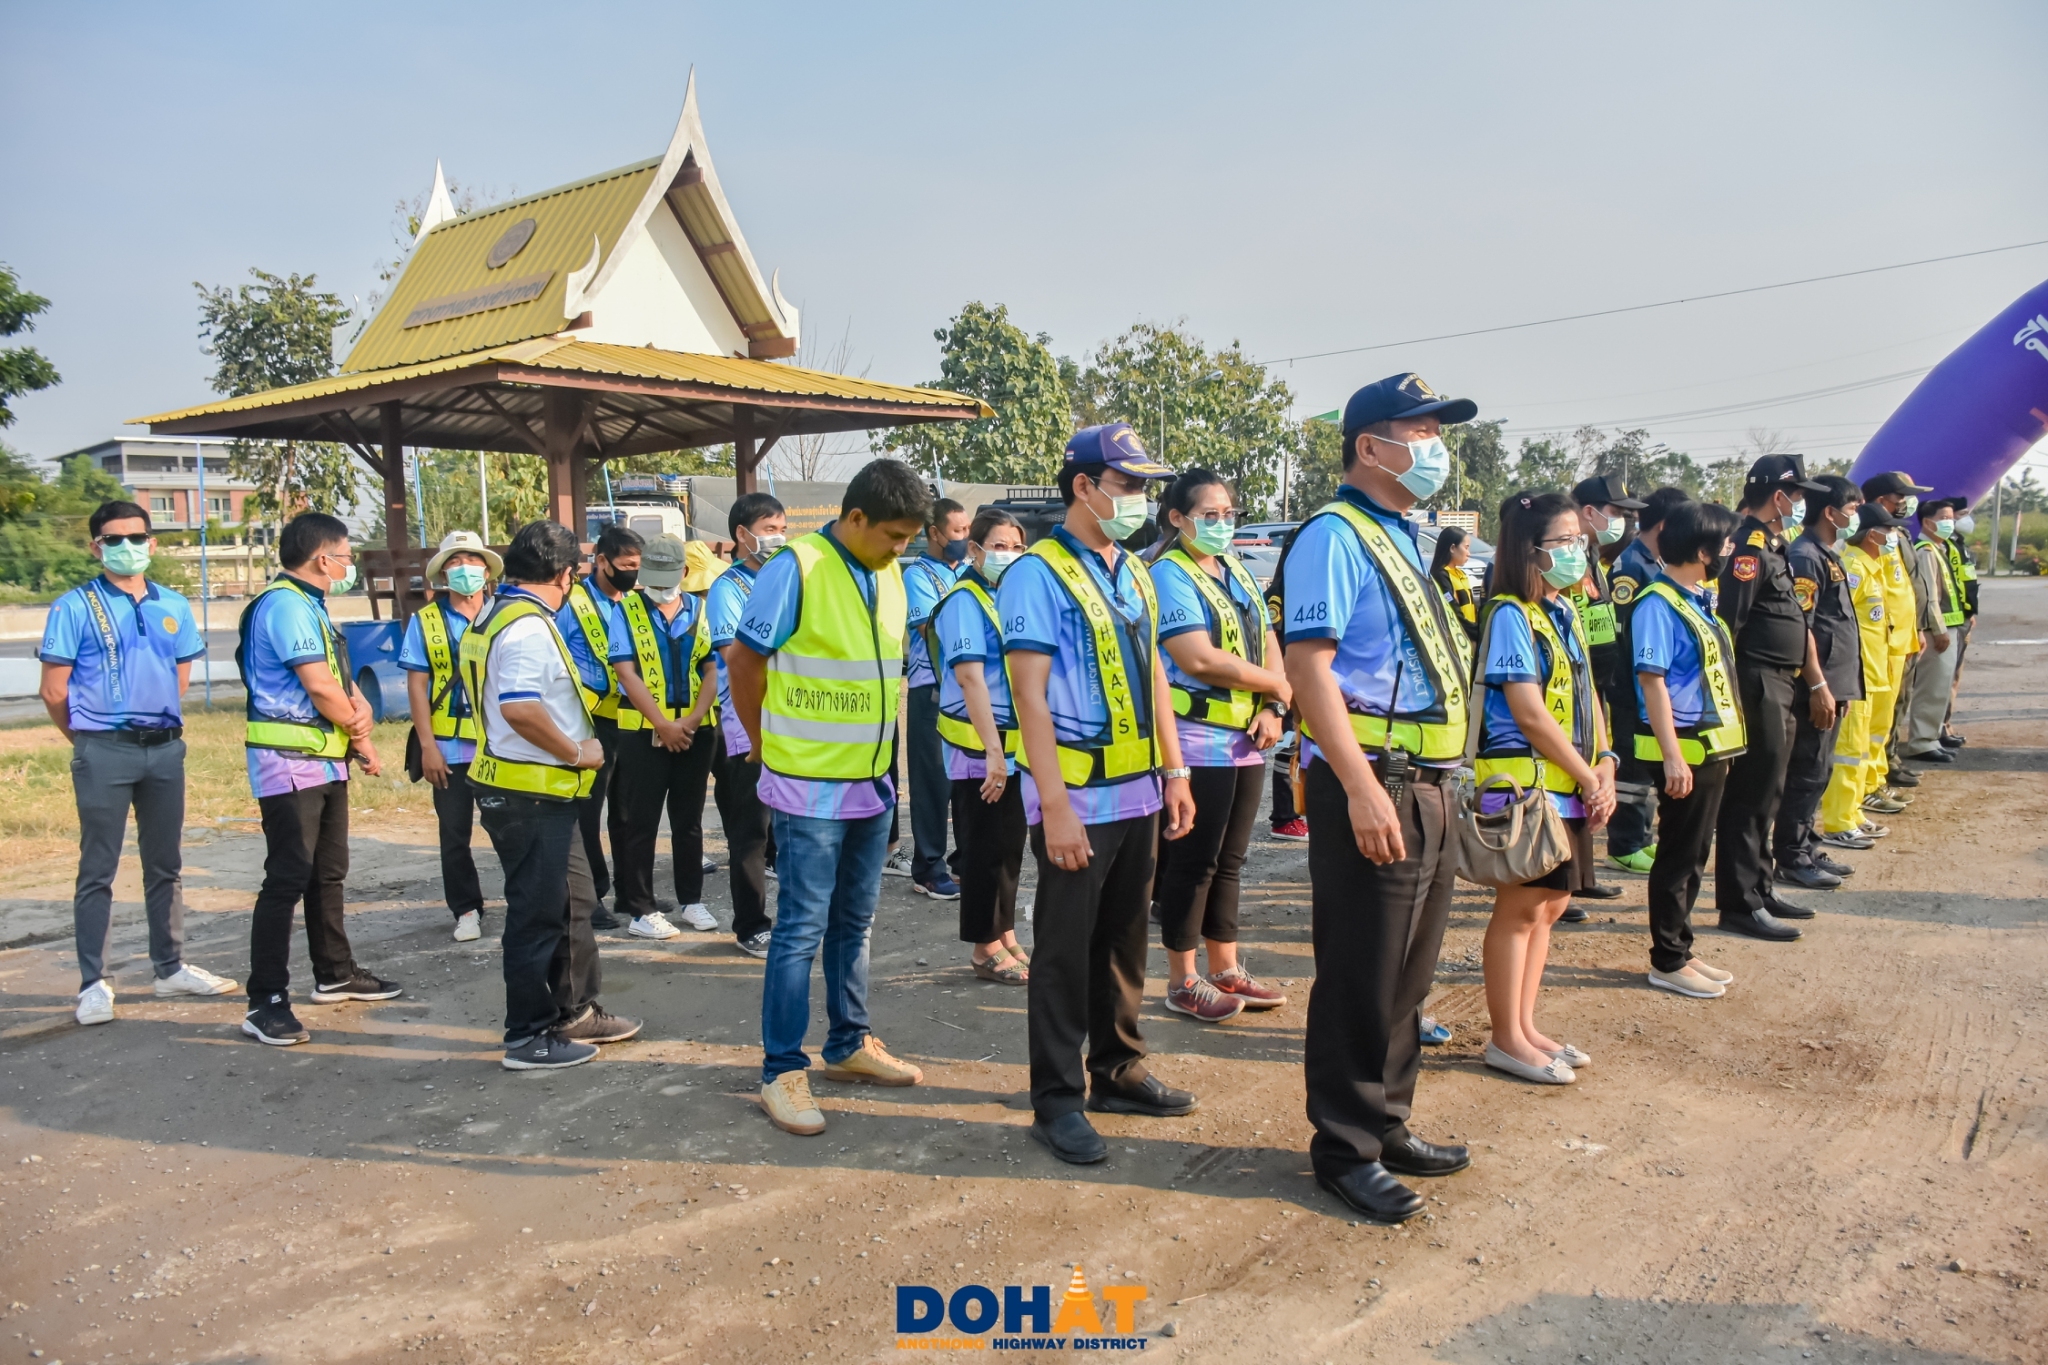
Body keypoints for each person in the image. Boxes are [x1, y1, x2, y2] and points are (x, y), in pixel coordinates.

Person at [1282, 373, 1478, 1224]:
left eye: (1437, 433)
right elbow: (1308, 667)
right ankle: (1345, 1147)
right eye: (1420, 432)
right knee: (1362, 972)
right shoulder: (1333, 535)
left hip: (1428, 780)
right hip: (1376, 779)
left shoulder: (1398, 534)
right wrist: (1360, 787)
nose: (1436, 448)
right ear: (1370, 446)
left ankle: (1387, 1119)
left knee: (1408, 970)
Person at [998, 422, 1196, 1165]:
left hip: (1138, 791)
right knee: (1063, 951)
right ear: (1083, 486)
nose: (1139, 497)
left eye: (1144, 485)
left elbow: (1155, 674)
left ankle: (1118, 1068)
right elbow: (1029, 694)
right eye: (1127, 483)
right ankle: (1057, 1098)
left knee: (1123, 940)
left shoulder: (1135, 569)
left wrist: (1175, 771)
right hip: (1076, 797)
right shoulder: (1036, 573)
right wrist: (1053, 806)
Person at [728, 459, 932, 1137]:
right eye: (893, 535)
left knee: (855, 923)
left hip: (872, 783)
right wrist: (762, 741)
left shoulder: (889, 572)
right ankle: (781, 1069)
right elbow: (743, 661)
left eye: (909, 538)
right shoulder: (798, 567)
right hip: (808, 784)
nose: (900, 548)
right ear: (856, 518)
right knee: (800, 930)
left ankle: (848, 1043)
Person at [41, 499, 235, 1026]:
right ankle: (93, 983)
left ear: (152, 542)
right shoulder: (73, 607)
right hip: (103, 749)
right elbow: (54, 690)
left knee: (165, 864)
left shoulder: (173, 604)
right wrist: (89, 738)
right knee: (98, 869)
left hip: (165, 750)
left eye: (136, 537)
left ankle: (169, 967)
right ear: (96, 547)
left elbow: (178, 677)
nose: (127, 547)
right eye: (114, 539)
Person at [464, 519, 635, 1070]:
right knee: (539, 915)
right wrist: (575, 751)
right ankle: (529, 1034)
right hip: (529, 792)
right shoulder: (528, 627)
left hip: (534, 790)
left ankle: (574, 1010)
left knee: (574, 902)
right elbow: (519, 707)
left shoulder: (497, 612)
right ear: (564, 575)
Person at [236, 512, 400, 1045]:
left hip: (325, 761)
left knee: (327, 872)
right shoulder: (284, 605)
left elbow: (338, 679)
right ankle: (266, 1000)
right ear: (322, 559)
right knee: (287, 878)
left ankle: (335, 972)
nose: (349, 566)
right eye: (346, 556)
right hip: (288, 766)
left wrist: (361, 726)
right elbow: (319, 686)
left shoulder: (312, 605)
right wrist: (357, 724)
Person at [1472, 491, 1615, 1083]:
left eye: (1579, 539)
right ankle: (1505, 1037)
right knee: (1522, 908)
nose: (1578, 550)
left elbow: (1588, 695)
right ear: (1530, 550)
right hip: (1530, 789)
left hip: (1570, 786)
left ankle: (1525, 1027)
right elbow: (1528, 711)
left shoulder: (1564, 611)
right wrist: (1587, 775)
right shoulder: (1510, 614)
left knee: (1551, 906)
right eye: (1564, 541)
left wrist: (1604, 763)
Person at [1147, 469, 1293, 1022]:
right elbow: (1197, 657)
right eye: (1210, 515)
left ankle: (1225, 967)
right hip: (1196, 738)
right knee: (1193, 862)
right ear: (1177, 518)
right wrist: (1277, 685)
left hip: (1246, 738)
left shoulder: (1234, 569)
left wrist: (1274, 704)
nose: (1223, 523)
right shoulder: (1169, 573)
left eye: (1229, 514)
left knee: (1229, 860)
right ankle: (1182, 979)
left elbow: (1268, 638)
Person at [1630, 499, 1747, 998]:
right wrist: (1673, 754)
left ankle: (1682, 946)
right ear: (1702, 550)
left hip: (1712, 747)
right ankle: (1668, 958)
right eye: (1725, 542)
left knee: (1697, 852)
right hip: (1687, 750)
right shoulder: (1657, 603)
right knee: (1678, 855)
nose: (1731, 549)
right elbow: (1651, 681)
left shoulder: (1696, 597)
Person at [1713, 455, 1832, 943]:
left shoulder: (1773, 546)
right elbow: (1730, 624)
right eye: (1797, 495)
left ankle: (1760, 890)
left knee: (1769, 792)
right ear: (1778, 496)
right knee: (1750, 796)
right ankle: (1740, 904)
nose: (1800, 504)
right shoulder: (1749, 547)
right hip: (1757, 681)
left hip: (1781, 682)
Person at [930, 508, 1031, 983]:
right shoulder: (963, 601)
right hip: (978, 748)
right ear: (975, 550)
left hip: (1012, 745)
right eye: (999, 546)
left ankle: (1005, 932)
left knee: (1009, 846)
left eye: (1017, 546)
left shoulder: (1005, 595)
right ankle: (983, 946)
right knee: (983, 847)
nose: (1009, 554)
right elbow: (970, 679)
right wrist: (993, 752)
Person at [607, 533, 719, 940]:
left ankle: (691, 900)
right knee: (642, 821)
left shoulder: (701, 610)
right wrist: (662, 724)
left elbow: (712, 668)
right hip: (643, 733)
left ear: (683, 572)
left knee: (689, 821)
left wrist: (691, 721)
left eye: (666, 575)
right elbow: (626, 672)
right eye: (650, 574)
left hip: (695, 731)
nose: (658, 583)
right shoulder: (626, 610)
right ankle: (641, 910)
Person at [401, 530, 500, 942]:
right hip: (448, 747)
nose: (465, 569)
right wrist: (428, 747)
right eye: (455, 562)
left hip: (498, 744)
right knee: (454, 834)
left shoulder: (503, 615)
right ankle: (466, 909)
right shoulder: (425, 621)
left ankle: (526, 899)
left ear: (486, 570)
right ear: (442, 573)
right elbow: (417, 687)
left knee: (508, 827)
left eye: (472, 561)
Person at [1773, 478, 1864, 890]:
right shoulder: (1806, 556)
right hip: (1817, 686)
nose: (1856, 515)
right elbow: (1804, 628)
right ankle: (1791, 855)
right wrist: (1818, 686)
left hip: (1834, 683)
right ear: (1831, 512)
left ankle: (1807, 845)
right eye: (1853, 508)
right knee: (1806, 771)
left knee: (1820, 769)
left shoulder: (1826, 554)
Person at [709, 494, 785, 958]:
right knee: (750, 832)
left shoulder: (782, 580)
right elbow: (735, 658)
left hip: (787, 720)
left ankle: (791, 919)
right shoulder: (728, 589)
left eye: (782, 528)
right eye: (769, 528)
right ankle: (751, 925)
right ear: (742, 534)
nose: (778, 537)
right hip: (746, 726)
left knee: (786, 828)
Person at [1602, 485, 1689, 875]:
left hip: (1650, 687)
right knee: (1632, 764)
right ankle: (1624, 843)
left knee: (1648, 761)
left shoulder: (1655, 561)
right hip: (1630, 686)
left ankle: (1641, 837)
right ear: (1667, 525)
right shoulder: (1631, 566)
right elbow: (1625, 635)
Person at [558, 525, 640, 929]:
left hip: (629, 719)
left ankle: (630, 891)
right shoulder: (570, 603)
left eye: (638, 565)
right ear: (602, 561)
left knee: (628, 811)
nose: (633, 572)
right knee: (587, 813)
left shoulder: (634, 602)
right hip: (588, 722)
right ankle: (590, 898)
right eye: (626, 565)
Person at [1819, 503, 1905, 851]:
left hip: (1874, 671)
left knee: (1863, 749)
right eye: (1890, 530)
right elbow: (1835, 623)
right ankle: (1838, 822)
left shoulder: (1872, 566)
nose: (1894, 536)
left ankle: (1853, 813)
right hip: (1857, 675)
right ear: (1873, 534)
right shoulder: (1852, 567)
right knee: (1848, 751)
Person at [903, 497, 969, 900]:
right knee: (932, 782)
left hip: (967, 689)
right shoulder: (919, 575)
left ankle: (963, 862)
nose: (964, 537)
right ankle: (928, 867)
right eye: (958, 531)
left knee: (965, 778)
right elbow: (931, 627)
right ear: (935, 533)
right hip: (932, 689)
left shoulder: (967, 570)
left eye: (967, 530)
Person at [1860, 471, 1937, 793]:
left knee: (1898, 704)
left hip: (1904, 636)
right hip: (1883, 641)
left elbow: (1907, 586)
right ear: (1881, 500)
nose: (1906, 503)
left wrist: (1918, 628)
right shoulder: (1867, 538)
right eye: (1901, 497)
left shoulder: (1897, 534)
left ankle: (1886, 761)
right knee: (1879, 712)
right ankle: (1878, 769)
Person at [1901, 499, 1968, 763]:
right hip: (1937, 632)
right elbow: (1929, 596)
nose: (1951, 522)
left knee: (1940, 688)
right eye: (1945, 518)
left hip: (1948, 627)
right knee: (1931, 689)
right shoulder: (1926, 551)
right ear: (1928, 522)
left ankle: (1931, 738)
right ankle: (1922, 742)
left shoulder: (1939, 548)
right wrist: (1938, 630)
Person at [1428, 526, 1480, 646]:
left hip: (1469, 637)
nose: (1469, 553)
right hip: (1456, 639)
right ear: (1452, 548)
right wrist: (1474, 631)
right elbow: (1452, 608)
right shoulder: (1441, 575)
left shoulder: (1461, 574)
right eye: (1466, 547)